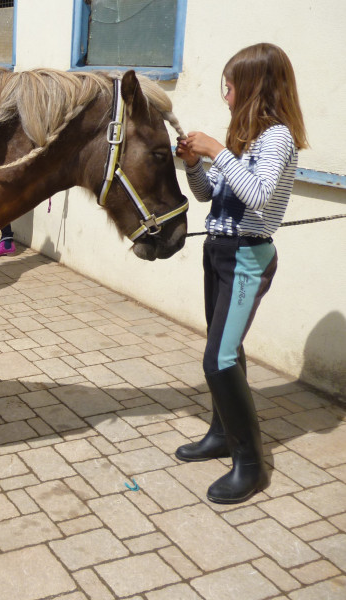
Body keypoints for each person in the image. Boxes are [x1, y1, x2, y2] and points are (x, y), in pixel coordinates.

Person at [174, 43, 308, 504]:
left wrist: (217, 149)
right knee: (224, 349)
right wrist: (195, 164)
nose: (225, 95)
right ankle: (220, 434)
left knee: (219, 359)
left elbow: (260, 196)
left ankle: (250, 465)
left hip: (248, 257)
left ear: (253, 87)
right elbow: (209, 194)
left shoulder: (278, 139)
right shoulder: (245, 137)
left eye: (229, 86)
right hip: (219, 252)